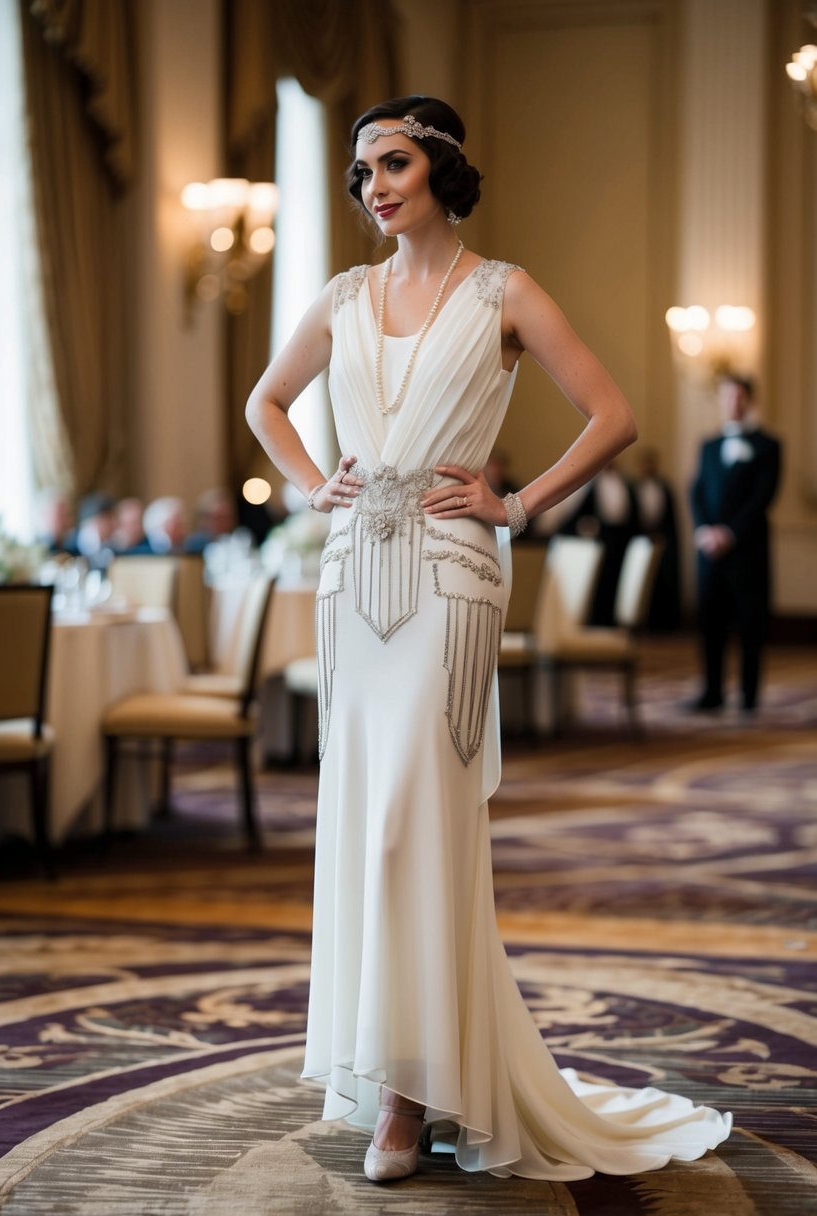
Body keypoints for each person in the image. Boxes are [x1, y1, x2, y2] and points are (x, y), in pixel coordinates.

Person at [246, 96, 730, 1184]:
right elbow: (265, 402)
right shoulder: (340, 297)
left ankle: (411, 1101)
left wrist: (517, 505)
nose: (373, 184)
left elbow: (611, 414)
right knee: (366, 823)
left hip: (452, 580)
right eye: (361, 169)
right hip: (351, 581)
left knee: (415, 830)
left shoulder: (505, 291)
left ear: (441, 171)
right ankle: (399, 1071)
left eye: (393, 162)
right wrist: (312, 481)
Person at [688, 373, 781, 713]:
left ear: (749, 401)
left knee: (750, 624)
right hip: (709, 552)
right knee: (710, 623)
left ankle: (749, 696)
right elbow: (696, 490)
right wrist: (703, 530)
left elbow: (763, 498)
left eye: (740, 397)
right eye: (728, 397)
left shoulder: (769, 446)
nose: (733, 403)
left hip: (748, 550)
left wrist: (729, 533)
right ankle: (711, 692)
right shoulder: (708, 445)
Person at [562, 459, 641, 625]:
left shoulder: (627, 484)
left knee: (619, 581)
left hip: (622, 540)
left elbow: (634, 515)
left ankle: (615, 620)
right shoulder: (592, 485)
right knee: (600, 581)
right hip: (601, 540)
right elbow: (579, 516)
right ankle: (597, 620)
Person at [634, 447, 681, 631]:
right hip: (641, 540)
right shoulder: (635, 487)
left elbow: (671, 518)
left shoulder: (665, 487)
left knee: (664, 582)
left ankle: (664, 623)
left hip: (662, 539)